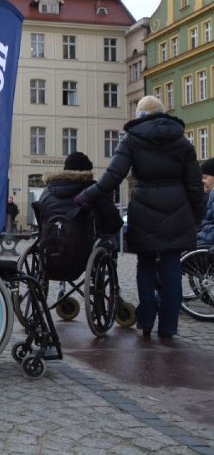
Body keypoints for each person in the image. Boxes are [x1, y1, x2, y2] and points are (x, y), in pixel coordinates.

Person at [76, 96, 204, 339]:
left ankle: (145, 320)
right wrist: (195, 217)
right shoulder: (182, 142)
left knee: (145, 264)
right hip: (178, 210)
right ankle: (168, 327)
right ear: (163, 113)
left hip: (144, 209)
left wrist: (86, 195)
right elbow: (195, 186)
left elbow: (113, 177)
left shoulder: (132, 139)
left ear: (140, 115)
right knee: (171, 267)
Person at [36, 151, 123, 243]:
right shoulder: (94, 190)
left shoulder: (47, 191)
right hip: (85, 247)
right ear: (88, 171)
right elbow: (114, 223)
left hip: (50, 244)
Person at [197, 158, 214, 248]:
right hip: (205, 236)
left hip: (207, 240)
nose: (203, 181)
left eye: (205, 177)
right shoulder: (210, 194)